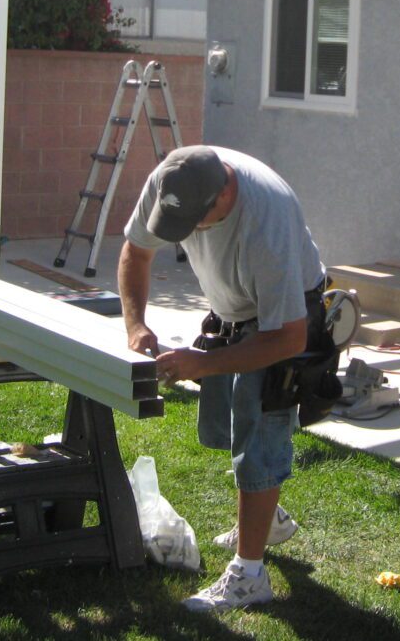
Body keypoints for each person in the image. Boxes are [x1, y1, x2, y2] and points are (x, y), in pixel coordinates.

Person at [119, 144, 326, 613]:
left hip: (285, 322)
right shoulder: (173, 180)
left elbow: (288, 338)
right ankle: (266, 518)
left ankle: (250, 574)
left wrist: (201, 363)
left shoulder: (266, 221)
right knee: (221, 430)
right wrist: (136, 324)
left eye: (194, 225)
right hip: (232, 311)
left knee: (259, 443)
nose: (186, 236)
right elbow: (136, 250)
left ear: (224, 194)